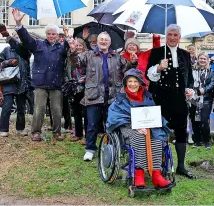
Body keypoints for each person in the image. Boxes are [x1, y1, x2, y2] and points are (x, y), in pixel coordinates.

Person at [69, 32, 137, 161]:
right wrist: (72, 51)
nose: (104, 42)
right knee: (92, 124)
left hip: (113, 96)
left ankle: (112, 146)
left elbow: (126, 70)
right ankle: (90, 149)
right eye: (101, 40)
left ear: (110, 43)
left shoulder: (117, 56)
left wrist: (133, 62)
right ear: (97, 42)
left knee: (112, 123)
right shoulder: (88, 55)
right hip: (93, 95)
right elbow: (76, 63)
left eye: (106, 40)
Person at [106, 68, 173, 189]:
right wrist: (135, 126)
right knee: (139, 137)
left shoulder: (147, 97)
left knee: (157, 138)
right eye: (130, 81)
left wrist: (154, 122)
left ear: (140, 83)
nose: (133, 84)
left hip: (147, 127)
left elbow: (153, 113)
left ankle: (156, 174)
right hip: (127, 127)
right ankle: (139, 173)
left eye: (136, 81)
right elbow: (115, 117)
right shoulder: (120, 99)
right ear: (126, 83)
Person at [146, 24, 196, 179]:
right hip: (161, 99)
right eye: (170, 35)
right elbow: (149, 76)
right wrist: (159, 68)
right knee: (160, 133)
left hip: (180, 100)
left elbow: (190, 79)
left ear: (180, 37)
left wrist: (189, 89)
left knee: (182, 131)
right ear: (165, 36)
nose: (172, 38)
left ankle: (181, 166)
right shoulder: (156, 53)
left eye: (175, 35)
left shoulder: (185, 55)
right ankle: (159, 165)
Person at [12, 8, 67, 142]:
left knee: (56, 110)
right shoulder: (38, 44)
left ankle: (57, 132)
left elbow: (71, 49)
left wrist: (68, 35)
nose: (51, 36)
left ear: (58, 35)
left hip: (56, 82)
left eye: (54, 34)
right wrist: (19, 25)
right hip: (40, 82)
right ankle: (36, 132)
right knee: (39, 109)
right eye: (49, 33)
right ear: (46, 34)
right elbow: (26, 39)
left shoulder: (62, 47)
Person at [0, 25, 31, 137]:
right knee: (7, 105)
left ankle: (20, 129)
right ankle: (3, 129)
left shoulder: (25, 51)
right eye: (15, 36)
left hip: (22, 81)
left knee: (21, 107)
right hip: (9, 81)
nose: (17, 39)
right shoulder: (6, 50)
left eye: (19, 37)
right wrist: (8, 62)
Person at [189, 53, 214, 149]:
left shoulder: (211, 71)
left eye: (204, 59)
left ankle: (207, 141)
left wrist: (204, 89)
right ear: (198, 59)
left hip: (206, 99)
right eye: (201, 58)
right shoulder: (192, 70)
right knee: (195, 120)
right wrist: (190, 90)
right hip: (193, 98)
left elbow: (212, 83)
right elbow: (189, 81)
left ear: (207, 60)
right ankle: (197, 141)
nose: (202, 60)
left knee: (203, 121)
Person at [66, 38, 88, 142]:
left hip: (85, 87)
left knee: (86, 112)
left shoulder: (88, 56)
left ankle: (88, 135)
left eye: (80, 45)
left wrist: (85, 78)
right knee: (76, 111)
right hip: (74, 86)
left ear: (84, 46)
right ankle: (78, 133)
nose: (78, 47)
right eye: (76, 45)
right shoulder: (71, 56)